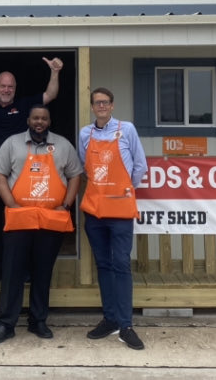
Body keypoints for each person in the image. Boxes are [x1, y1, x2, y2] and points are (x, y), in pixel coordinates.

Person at [0, 50, 64, 282]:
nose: (6, 90)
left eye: (10, 86)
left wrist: (55, 72)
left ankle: (25, 268)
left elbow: (50, 94)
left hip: (21, 176)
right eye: (3, 86)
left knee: (23, 222)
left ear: (14, 88)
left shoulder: (25, 105)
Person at [0, 104, 82, 344]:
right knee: (12, 272)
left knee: (42, 272)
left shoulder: (63, 145)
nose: (39, 122)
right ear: (28, 120)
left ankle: (38, 320)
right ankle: (5, 323)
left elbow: (75, 175)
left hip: (51, 219)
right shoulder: (12, 143)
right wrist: (10, 203)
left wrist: (67, 204)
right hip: (20, 218)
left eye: (44, 118)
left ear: (49, 122)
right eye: (35, 118)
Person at [78, 87, 148, 351]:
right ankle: (110, 319)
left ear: (112, 105)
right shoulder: (86, 133)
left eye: (105, 102)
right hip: (95, 211)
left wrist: (124, 188)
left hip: (120, 211)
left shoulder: (126, 129)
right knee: (103, 265)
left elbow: (140, 165)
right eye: (97, 103)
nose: (101, 106)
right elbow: (85, 165)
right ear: (92, 106)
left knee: (121, 264)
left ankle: (126, 325)